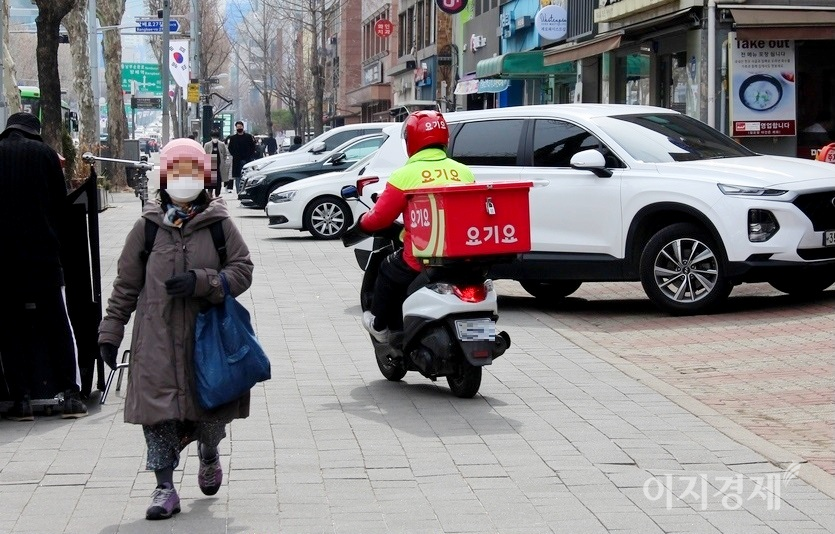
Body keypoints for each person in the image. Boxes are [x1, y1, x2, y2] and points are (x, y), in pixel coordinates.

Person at [97, 138, 254, 520]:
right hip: (157, 341)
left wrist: (205, 282)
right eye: (177, 171)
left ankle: (209, 452)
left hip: (207, 341)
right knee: (157, 417)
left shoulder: (219, 225)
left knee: (212, 415)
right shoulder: (147, 228)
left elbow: (242, 269)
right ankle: (164, 488)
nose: (184, 180)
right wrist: (110, 332)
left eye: (191, 171)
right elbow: (126, 284)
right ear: (164, 177)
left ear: (204, 177)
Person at [357, 110, 475, 342]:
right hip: (463, 256)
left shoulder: (404, 175)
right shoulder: (463, 171)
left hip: (422, 257)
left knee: (387, 269)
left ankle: (380, 326)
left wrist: (362, 222)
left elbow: (379, 219)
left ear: (411, 140)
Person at [0, 112, 88, 421]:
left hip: (4, 261)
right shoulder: (45, 154)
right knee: (58, 323)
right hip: (43, 257)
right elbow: (61, 205)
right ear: (34, 132)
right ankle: (70, 395)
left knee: (9, 328)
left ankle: (21, 400)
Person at [225, 120, 258, 193]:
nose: (239, 128)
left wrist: (250, 155)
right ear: (236, 128)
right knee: (238, 178)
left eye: (240, 126)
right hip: (237, 161)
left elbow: (253, 147)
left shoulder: (248, 137)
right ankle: (239, 192)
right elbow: (230, 148)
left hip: (247, 160)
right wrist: (234, 155)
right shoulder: (233, 138)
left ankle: (246, 191)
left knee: (248, 176)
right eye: (238, 127)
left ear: (243, 127)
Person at [204, 128, 230, 198]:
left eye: (216, 137)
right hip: (210, 165)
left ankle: (217, 195)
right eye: (213, 137)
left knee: (218, 182)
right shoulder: (207, 145)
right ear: (211, 137)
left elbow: (225, 154)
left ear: (218, 137)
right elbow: (204, 154)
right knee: (210, 183)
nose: (214, 138)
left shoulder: (221, 144)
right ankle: (210, 195)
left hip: (219, 165)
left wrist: (223, 161)